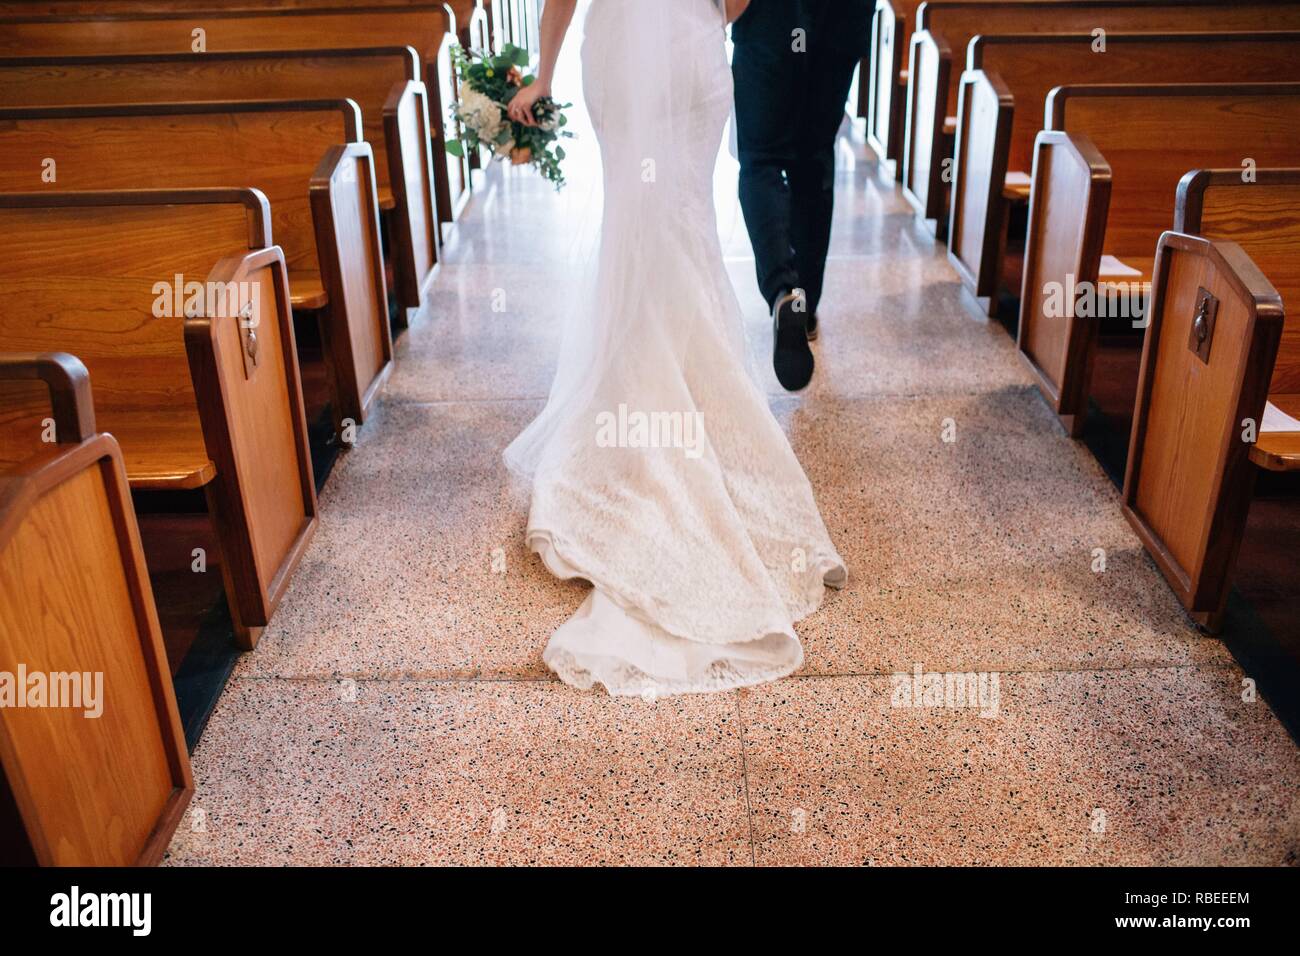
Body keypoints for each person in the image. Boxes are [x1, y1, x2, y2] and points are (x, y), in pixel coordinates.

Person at [505, 0, 845, 696]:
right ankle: (692, 392)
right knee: (680, 228)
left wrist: (542, 77)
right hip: (690, 53)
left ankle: (646, 412)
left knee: (641, 226)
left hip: (625, 52)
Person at [731, 0, 872, 391]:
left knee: (761, 159)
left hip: (770, 18)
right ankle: (805, 305)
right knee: (814, 161)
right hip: (841, 21)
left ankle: (783, 289)